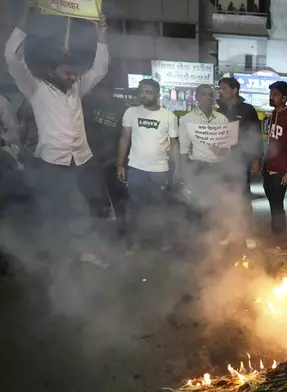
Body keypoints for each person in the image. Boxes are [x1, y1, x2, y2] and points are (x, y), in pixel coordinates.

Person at [4, 2, 109, 264]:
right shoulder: (35, 88)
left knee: (95, 206)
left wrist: (101, 36)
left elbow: (100, 69)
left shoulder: (77, 89)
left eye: (75, 74)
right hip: (53, 163)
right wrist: (26, 16)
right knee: (57, 211)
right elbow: (11, 57)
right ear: (52, 71)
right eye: (68, 73)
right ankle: (59, 255)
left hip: (82, 159)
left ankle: (90, 249)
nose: (74, 78)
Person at [116, 79, 179, 255]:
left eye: (149, 92)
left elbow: (174, 144)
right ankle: (135, 242)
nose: (144, 95)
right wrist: (120, 165)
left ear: (157, 94)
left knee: (160, 207)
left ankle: (163, 239)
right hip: (135, 168)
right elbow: (124, 139)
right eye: (142, 91)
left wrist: (178, 168)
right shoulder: (131, 112)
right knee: (135, 207)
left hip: (160, 170)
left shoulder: (168, 116)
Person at [216, 77, 263, 249]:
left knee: (243, 198)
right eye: (219, 88)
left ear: (234, 90)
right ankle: (228, 232)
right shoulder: (218, 110)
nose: (220, 91)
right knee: (224, 198)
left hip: (241, 159)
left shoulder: (247, 110)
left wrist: (256, 158)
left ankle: (247, 234)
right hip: (222, 160)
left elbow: (256, 135)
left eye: (224, 88)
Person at [177, 84, 230, 231]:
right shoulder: (187, 119)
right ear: (197, 97)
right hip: (197, 167)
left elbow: (227, 150)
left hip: (217, 168)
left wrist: (219, 150)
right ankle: (195, 243)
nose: (208, 98)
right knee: (195, 207)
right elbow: (183, 149)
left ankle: (212, 242)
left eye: (211, 95)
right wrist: (184, 173)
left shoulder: (222, 119)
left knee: (215, 207)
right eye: (204, 94)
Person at [83, 78, 129, 234]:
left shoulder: (121, 109)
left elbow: (126, 137)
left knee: (118, 198)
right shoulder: (89, 106)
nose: (97, 93)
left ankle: (123, 231)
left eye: (101, 89)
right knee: (95, 198)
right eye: (95, 90)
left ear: (110, 90)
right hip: (91, 160)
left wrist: (120, 162)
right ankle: (100, 233)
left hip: (113, 161)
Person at [263, 81, 287, 247]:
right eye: (271, 94)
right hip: (268, 168)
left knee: (277, 207)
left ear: (284, 98)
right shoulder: (273, 115)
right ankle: (276, 238)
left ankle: (280, 242)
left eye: (275, 94)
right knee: (273, 205)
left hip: (280, 171)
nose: (271, 97)